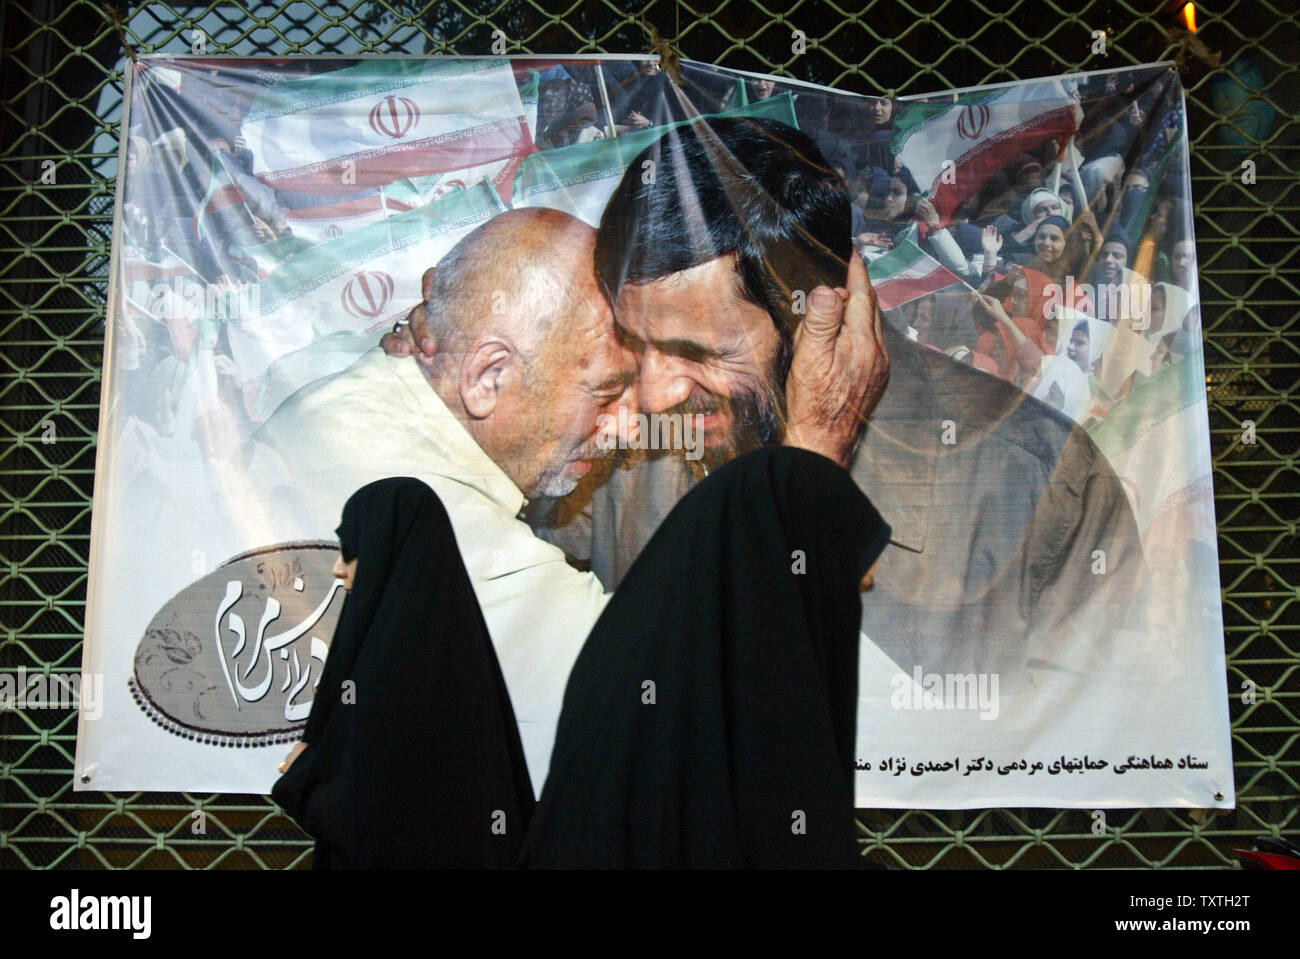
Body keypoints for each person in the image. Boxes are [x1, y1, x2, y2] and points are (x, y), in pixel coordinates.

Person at [394, 116, 1145, 684]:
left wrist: (813, 466)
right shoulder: (619, 449)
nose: (652, 396)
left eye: (697, 353)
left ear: (814, 314)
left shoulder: (1043, 488)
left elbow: (1086, 748)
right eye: (635, 343)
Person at [271, 478, 535, 868]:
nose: (338, 568)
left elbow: (372, 820)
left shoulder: (396, 669)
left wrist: (300, 776)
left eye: (352, 550)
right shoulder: (449, 653)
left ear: (382, 550)